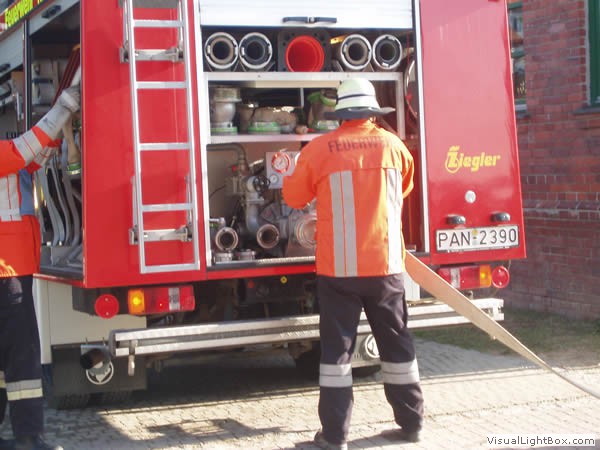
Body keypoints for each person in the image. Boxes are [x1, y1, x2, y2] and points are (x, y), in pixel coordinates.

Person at [282, 78, 424, 450]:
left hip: (339, 271)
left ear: (341, 114)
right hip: (385, 265)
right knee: (397, 345)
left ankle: (334, 436)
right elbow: (405, 188)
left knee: (337, 355)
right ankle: (411, 424)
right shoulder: (394, 147)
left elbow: (294, 197)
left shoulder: (319, 149)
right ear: (373, 112)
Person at [0, 84, 80, 450]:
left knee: (9, 355)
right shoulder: (5, 153)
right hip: (7, 271)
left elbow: (33, 158)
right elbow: (23, 151)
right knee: (22, 354)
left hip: (11, 268)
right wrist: (63, 107)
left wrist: (59, 132)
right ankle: (29, 438)